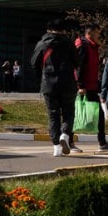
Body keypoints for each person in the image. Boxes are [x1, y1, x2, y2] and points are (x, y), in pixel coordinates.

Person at [31, 20, 78, 157]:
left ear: (48, 29)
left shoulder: (42, 44)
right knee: (69, 112)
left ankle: (56, 146)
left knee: (53, 114)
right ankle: (65, 134)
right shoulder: (69, 43)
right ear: (63, 30)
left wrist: (41, 76)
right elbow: (77, 62)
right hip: (67, 84)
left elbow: (34, 63)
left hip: (48, 85)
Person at [75, 23, 108, 151]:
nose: (99, 35)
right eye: (97, 32)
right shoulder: (83, 46)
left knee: (97, 114)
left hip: (91, 86)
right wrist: (80, 85)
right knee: (77, 113)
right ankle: (101, 143)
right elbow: (79, 67)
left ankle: (102, 143)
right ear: (90, 32)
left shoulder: (92, 47)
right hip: (84, 87)